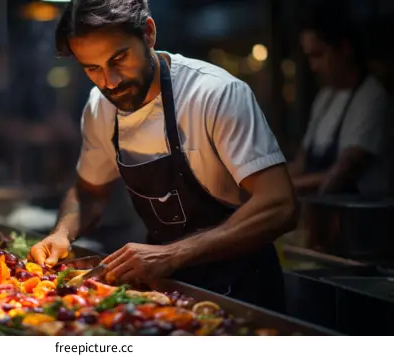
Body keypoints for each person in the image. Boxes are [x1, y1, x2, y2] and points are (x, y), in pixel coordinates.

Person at [29, 0, 298, 312]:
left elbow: (280, 205)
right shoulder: (100, 107)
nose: (110, 82)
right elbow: (87, 193)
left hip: (241, 291)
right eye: (92, 68)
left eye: (119, 59)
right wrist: (62, 233)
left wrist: (171, 254)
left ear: (149, 33)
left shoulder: (215, 94)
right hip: (163, 291)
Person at [288, 6, 392, 196]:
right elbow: (300, 164)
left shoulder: (371, 97)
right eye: (309, 57)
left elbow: (340, 173)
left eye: (318, 55)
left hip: (361, 220)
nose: (313, 66)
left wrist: (280, 190)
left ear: (344, 49)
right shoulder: (325, 97)